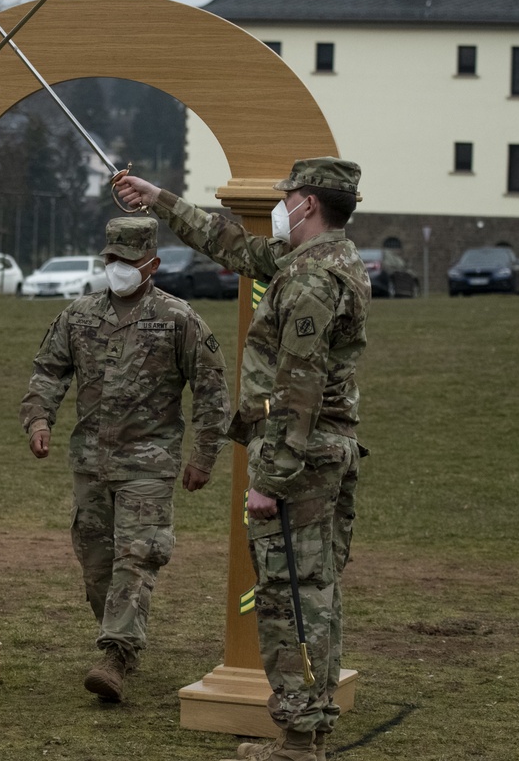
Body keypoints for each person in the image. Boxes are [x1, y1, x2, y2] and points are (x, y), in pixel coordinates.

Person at [116, 158, 370, 761]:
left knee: (291, 600)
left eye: (289, 197)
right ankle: (309, 732)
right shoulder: (323, 260)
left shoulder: (310, 280)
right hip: (320, 451)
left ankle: (300, 741)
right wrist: (158, 199)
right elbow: (234, 247)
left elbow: (297, 384)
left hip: (298, 461)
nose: (282, 206)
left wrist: (271, 478)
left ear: (307, 204)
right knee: (315, 593)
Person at [20, 216, 230, 703]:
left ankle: (115, 654)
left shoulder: (180, 320)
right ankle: (120, 639)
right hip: (90, 462)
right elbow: (48, 373)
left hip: (149, 465)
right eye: (112, 260)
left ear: (152, 264)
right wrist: (38, 421)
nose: (118, 269)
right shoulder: (78, 317)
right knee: (96, 566)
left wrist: (203, 455)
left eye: (129, 262)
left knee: (136, 559)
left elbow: (212, 391)